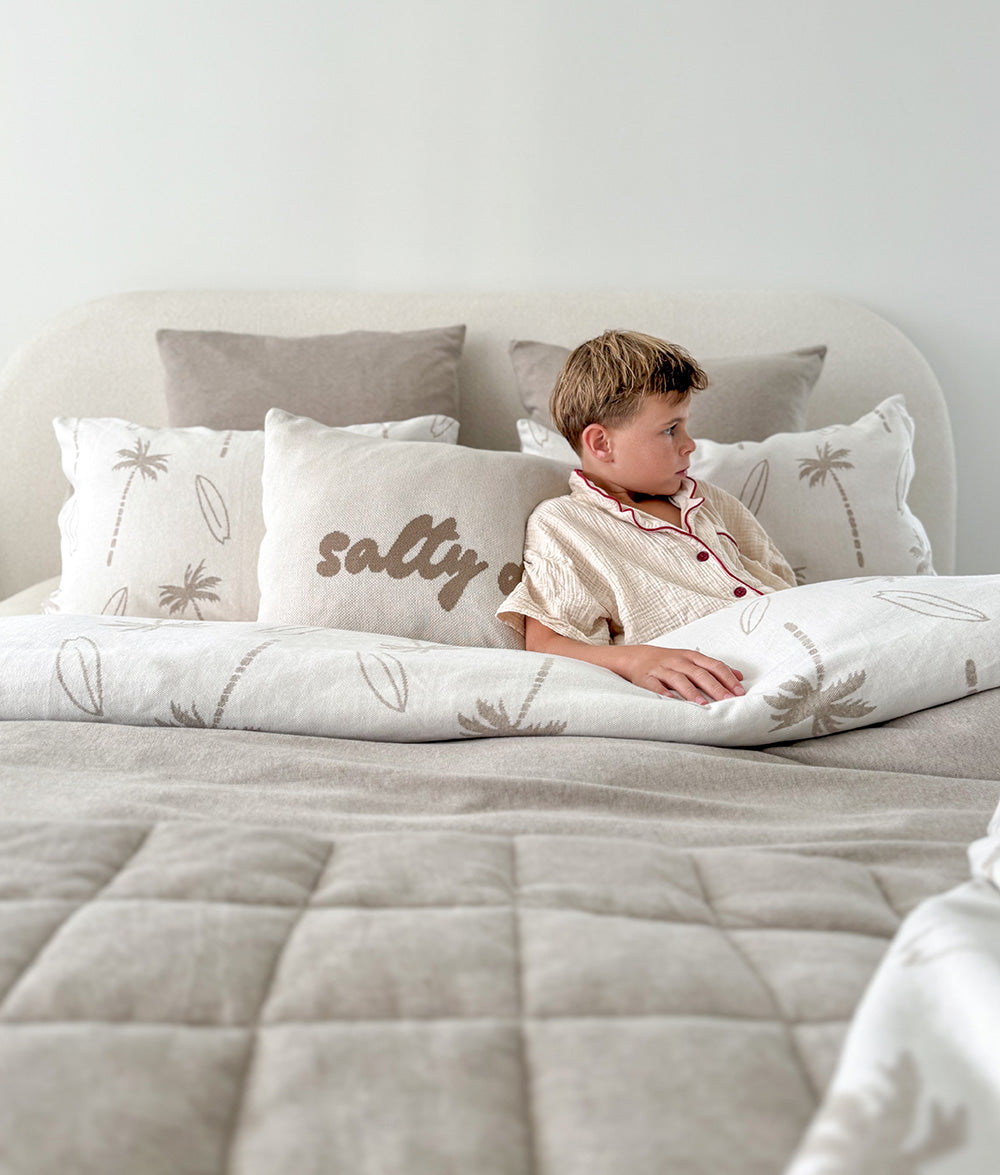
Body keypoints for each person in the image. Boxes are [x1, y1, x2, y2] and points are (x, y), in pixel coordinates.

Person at [498, 329, 798, 703]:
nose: (690, 445)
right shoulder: (564, 524)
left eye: (685, 425)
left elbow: (785, 588)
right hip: (719, 688)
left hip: (800, 648)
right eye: (671, 429)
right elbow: (545, 645)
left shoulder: (712, 502)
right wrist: (637, 660)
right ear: (601, 443)